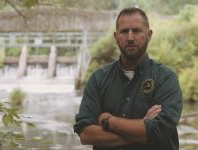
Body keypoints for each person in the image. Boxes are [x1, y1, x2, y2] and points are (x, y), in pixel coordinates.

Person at [73, 7, 183, 150]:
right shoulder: (98, 79)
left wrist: (109, 121)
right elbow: (86, 135)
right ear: (115, 36)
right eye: (124, 31)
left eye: (136, 31)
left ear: (149, 35)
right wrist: (142, 130)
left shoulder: (166, 78)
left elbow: (159, 131)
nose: (130, 37)